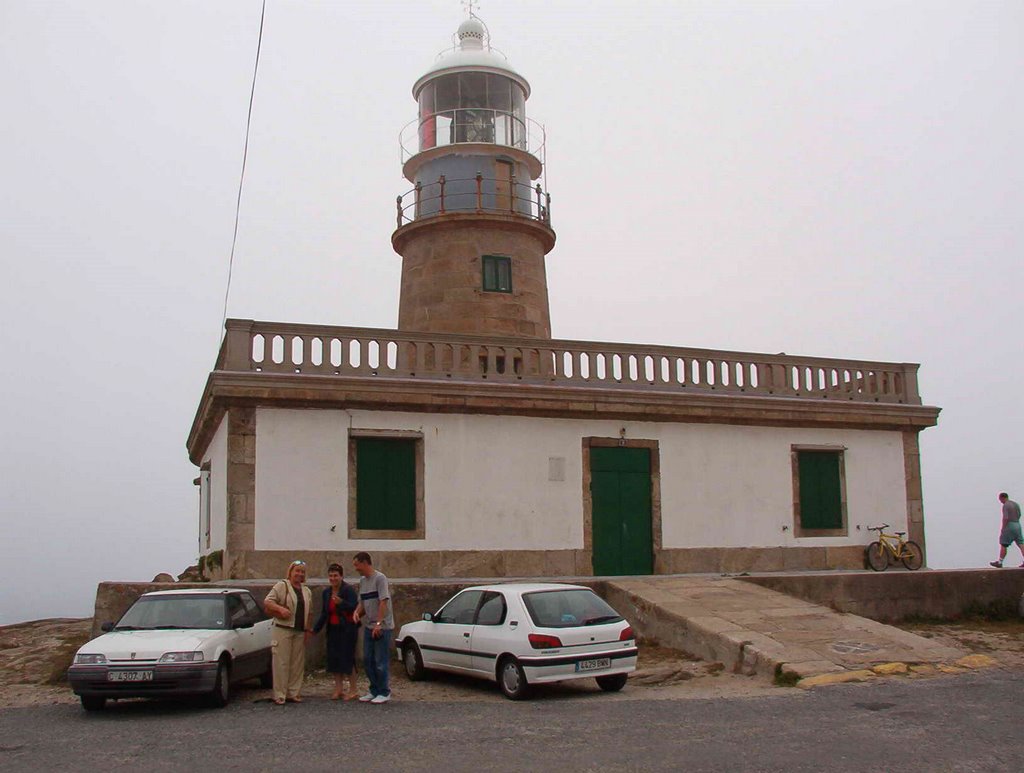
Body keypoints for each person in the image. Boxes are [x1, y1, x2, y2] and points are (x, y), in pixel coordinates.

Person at [263, 559, 313, 705]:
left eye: (302, 572)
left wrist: (308, 629)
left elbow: (310, 612)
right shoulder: (282, 586)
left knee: (297, 664)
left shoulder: (306, 590)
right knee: (281, 663)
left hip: (299, 630)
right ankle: (280, 694)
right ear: (290, 572)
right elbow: (268, 601)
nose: (299, 574)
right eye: (297, 571)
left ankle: (294, 692)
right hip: (283, 629)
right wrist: (280, 609)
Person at [312, 562, 359, 700]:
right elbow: (324, 613)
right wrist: (316, 629)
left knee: (347, 658)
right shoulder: (326, 592)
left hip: (347, 629)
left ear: (341, 576)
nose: (333, 578)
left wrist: (341, 603)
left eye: (336, 576)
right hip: (333, 628)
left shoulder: (348, 590)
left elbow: (354, 607)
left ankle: (353, 689)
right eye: (331, 576)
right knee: (334, 659)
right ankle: (338, 689)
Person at [352, 552, 393, 704]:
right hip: (368, 626)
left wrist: (379, 623)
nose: (356, 569)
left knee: (380, 660)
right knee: (368, 659)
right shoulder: (363, 581)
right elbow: (363, 603)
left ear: (365, 563)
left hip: (382, 626)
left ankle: (384, 691)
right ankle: (374, 689)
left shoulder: (380, 579)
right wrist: (357, 613)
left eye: (357, 565)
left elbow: (383, 601)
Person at [989, 492, 1024, 568]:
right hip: (1017, 524)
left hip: (1009, 525)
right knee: (1021, 544)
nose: (1000, 502)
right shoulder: (1015, 504)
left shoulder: (1006, 505)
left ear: (1002, 498)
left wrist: (1003, 528)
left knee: (1004, 544)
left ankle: (1000, 562)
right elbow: (1020, 514)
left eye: (1000, 500)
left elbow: (1005, 517)